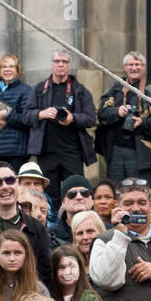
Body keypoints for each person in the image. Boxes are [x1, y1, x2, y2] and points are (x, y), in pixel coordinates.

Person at [23, 52, 98, 201]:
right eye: (57, 61)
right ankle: (51, 223)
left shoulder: (80, 90)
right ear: (52, 64)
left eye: (64, 61)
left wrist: (73, 118)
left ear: (69, 65)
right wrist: (41, 113)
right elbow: (25, 116)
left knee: (75, 192)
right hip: (46, 151)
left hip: (72, 151)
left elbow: (91, 118)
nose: (61, 64)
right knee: (49, 195)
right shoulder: (39, 89)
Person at [0, 160, 52, 283]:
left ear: (17, 184)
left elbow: (45, 276)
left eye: (10, 180)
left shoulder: (36, 227)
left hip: (28, 299)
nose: (5, 186)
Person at [95, 52, 151, 186]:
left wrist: (143, 122)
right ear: (125, 67)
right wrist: (117, 112)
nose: (134, 68)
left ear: (143, 67)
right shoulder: (116, 89)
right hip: (115, 150)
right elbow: (101, 114)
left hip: (141, 152)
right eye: (130, 65)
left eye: (137, 64)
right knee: (116, 189)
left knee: (139, 190)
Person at [0, 55, 32, 172]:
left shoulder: (26, 91)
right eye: (4, 67)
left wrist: (6, 115)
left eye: (11, 66)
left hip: (17, 152)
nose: (7, 69)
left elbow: (27, 120)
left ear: (17, 70)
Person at [48, 175, 97, 250]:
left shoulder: (106, 231)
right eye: (72, 194)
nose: (79, 197)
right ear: (63, 202)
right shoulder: (51, 234)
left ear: (93, 200)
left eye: (84, 193)